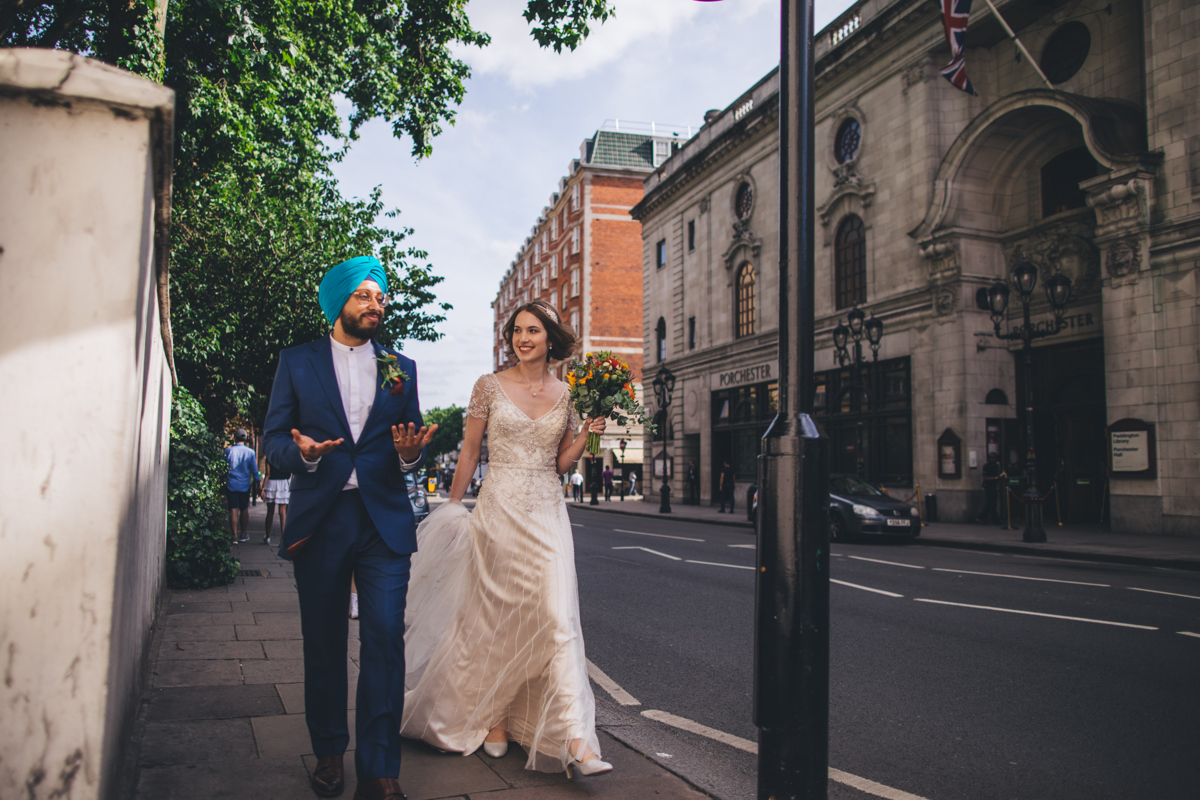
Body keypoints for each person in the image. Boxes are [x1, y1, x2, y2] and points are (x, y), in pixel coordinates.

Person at [402, 301, 613, 779]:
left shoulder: (568, 392)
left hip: (547, 510)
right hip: (498, 509)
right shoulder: (487, 387)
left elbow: (561, 464)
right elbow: (471, 451)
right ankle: (494, 720)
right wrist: (454, 506)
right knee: (495, 617)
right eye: (517, 330)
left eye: (533, 330)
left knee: (558, 618)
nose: (523, 338)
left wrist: (584, 434)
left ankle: (577, 740)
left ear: (550, 339)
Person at [263, 256, 437, 800]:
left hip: (383, 522)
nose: (375, 304)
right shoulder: (297, 363)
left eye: (380, 297)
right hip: (322, 520)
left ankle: (380, 767)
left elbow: (409, 444)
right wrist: (303, 454)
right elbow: (273, 442)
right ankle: (330, 753)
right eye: (364, 295)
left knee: (385, 639)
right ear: (337, 301)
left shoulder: (401, 367)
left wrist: (411, 458)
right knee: (324, 641)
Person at [224, 429, 257, 543]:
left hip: (231, 483)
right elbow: (254, 470)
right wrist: (257, 482)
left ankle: (233, 536)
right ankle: (243, 534)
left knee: (233, 509)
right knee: (244, 508)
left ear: (235, 437)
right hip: (245, 484)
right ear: (246, 438)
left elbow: (223, 467)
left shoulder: (228, 451)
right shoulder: (251, 452)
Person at [260, 457, 291, 546]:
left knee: (270, 512)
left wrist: (262, 488)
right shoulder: (286, 457)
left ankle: (268, 537)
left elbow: (268, 474)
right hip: (284, 484)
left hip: (271, 484)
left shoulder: (270, 457)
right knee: (283, 512)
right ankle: (283, 538)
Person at [978, 452, 1002, 524]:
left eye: (994, 457)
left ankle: (982, 517)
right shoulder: (986, 466)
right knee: (991, 503)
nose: (993, 459)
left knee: (992, 503)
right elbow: (985, 477)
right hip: (988, 486)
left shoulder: (996, 466)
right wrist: (994, 478)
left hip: (994, 486)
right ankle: (994, 519)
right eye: (991, 457)